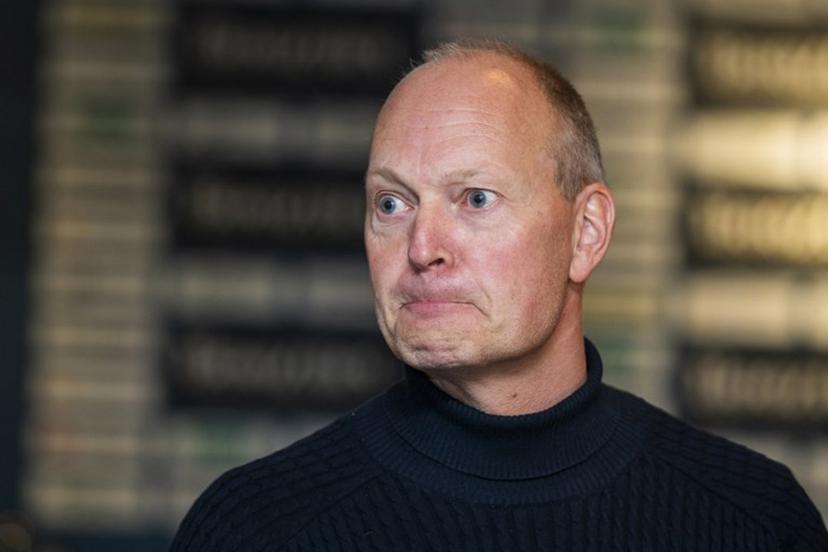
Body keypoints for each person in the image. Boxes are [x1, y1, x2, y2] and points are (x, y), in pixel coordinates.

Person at [170, 40, 828, 551]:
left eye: (475, 199)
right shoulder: (258, 526)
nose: (423, 247)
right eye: (392, 203)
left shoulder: (752, 520)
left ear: (586, 233)